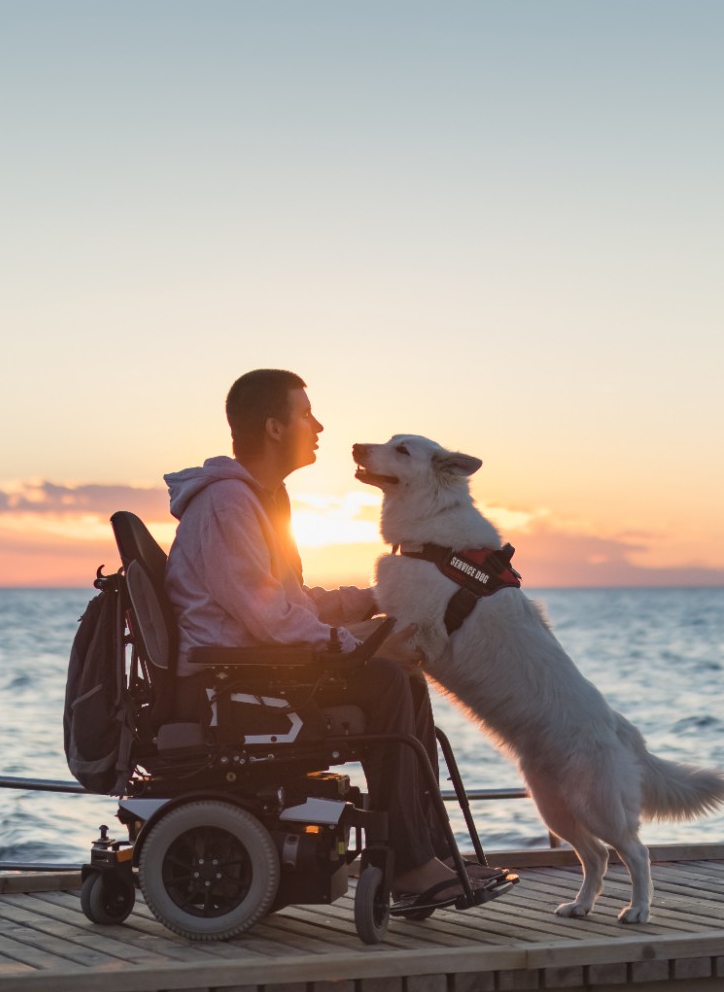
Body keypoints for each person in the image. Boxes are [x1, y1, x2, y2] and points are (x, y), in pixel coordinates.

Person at [162, 369, 490, 906]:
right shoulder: (229, 504)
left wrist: (369, 598)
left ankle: (426, 854)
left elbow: (289, 602)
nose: (318, 426)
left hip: (257, 668)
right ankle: (408, 864)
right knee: (386, 679)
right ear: (273, 427)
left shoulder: (261, 499)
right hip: (227, 683)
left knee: (402, 677)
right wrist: (358, 644)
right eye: (305, 414)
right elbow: (270, 621)